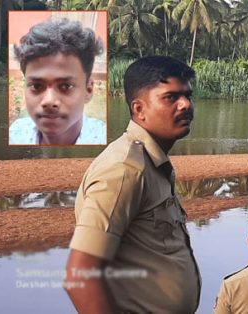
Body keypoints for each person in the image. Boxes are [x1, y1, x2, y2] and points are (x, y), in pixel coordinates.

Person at [64, 56, 200, 313]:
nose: (186, 105)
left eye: (187, 95)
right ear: (139, 110)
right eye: (171, 97)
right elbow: (80, 276)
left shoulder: (151, 163)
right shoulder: (125, 169)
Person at [9, 18, 106, 145]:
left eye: (65, 86)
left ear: (88, 90)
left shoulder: (105, 143)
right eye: (37, 86)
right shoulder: (15, 134)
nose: (49, 101)